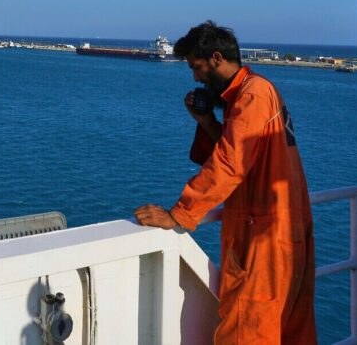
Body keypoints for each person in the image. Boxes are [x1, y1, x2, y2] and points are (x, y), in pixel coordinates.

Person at [134, 21, 316, 345]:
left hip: (262, 243)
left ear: (216, 58)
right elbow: (244, 156)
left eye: (197, 67)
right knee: (289, 334)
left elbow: (230, 164)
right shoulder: (258, 93)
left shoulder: (252, 96)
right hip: (287, 236)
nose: (196, 77)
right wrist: (206, 122)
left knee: (246, 333)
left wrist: (179, 214)